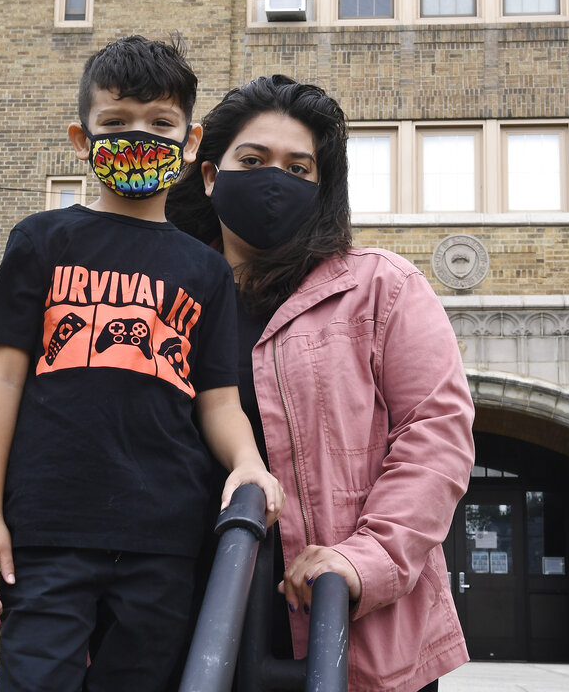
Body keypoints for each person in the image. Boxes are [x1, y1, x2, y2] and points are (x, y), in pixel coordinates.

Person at [0, 36, 284, 692]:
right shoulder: (42, 239)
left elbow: (218, 400)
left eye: (160, 124)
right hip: (48, 529)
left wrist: (249, 463)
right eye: (116, 123)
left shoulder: (206, 271)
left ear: (190, 143)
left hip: (166, 536)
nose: (139, 136)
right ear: (82, 140)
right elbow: (1, 376)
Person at [168, 74, 476, 692]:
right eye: (252, 160)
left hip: (348, 627)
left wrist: (362, 561)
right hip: (178, 616)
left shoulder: (382, 288)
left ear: (322, 186)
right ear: (209, 174)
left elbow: (435, 437)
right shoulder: (160, 294)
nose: (273, 180)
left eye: (298, 168)